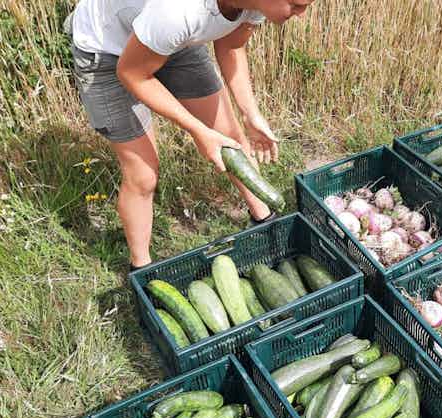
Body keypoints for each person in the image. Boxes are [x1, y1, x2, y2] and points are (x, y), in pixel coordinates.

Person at [65, 0, 313, 270]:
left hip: (167, 41)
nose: (301, 15)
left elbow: (231, 45)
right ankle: (143, 271)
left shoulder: (256, 5)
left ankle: (266, 224)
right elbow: (132, 74)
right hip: (107, 52)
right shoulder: (177, 11)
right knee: (143, 175)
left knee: (232, 137)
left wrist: (250, 114)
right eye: (297, 5)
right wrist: (198, 130)